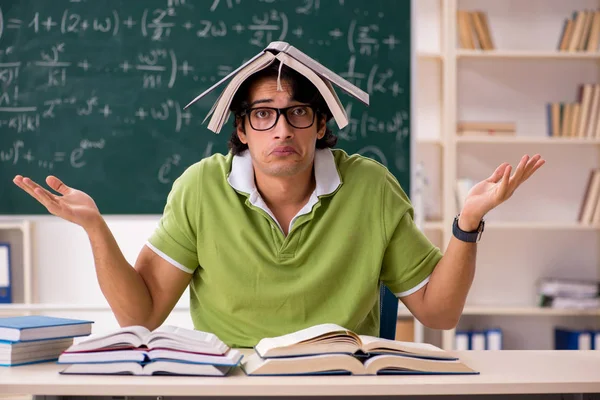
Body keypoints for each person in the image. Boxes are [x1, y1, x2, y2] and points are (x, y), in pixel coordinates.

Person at [12, 63, 545, 348]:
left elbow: (440, 312)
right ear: (242, 129)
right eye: (264, 115)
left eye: (298, 113)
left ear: (320, 125)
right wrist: (96, 230)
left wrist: (467, 222)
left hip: (342, 384)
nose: (282, 129)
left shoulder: (371, 187)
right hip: (233, 387)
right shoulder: (200, 187)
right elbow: (142, 314)